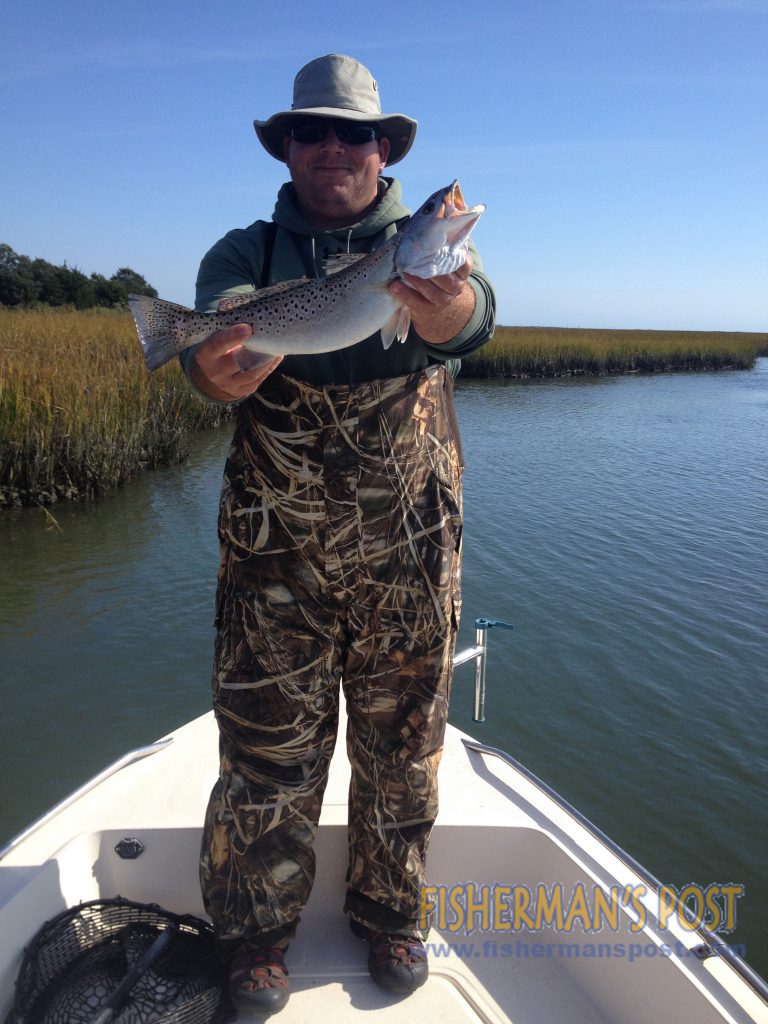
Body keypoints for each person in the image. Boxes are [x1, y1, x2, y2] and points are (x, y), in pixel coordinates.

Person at [182, 53, 495, 1014]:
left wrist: (454, 311)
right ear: (287, 149)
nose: (333, 148)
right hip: (273, 552)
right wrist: (210, 372)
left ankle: (392, 913)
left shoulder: (423, 248)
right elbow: (208, 359)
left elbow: (474, 320)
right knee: (266, 751)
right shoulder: (244, 256)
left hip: (408, 548)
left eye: (353, 133)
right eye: (312, 132)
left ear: (381, 148)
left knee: (404, 744)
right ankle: (255, 940)